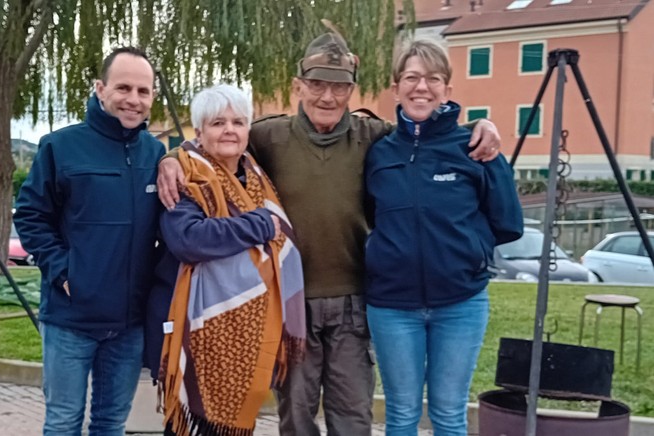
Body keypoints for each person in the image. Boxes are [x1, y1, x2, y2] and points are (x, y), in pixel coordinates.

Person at [157, 33, 502, 436]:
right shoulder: (271, 137)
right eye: (317, 84)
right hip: (293, 305)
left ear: (351, 90)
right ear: (298, 87)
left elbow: (426, 133)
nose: (327, 96)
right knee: (296, 417)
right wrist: (171, 158)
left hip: (354, 305)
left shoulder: (374, 137)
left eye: (339, 86)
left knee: (353, 417)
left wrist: (484, 126)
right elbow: (217, 145)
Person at [364, 39, 523, 436]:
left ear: (447, 90)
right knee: (400, 415)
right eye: (412, 77)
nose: (422, 87)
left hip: (461, 304)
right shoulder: (378, 152)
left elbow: (508, 222)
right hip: (391, 306)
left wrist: (468, 249)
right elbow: (368, 214)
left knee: (449, 415)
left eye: (433, 79)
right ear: (396, 86)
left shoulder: (475, 147)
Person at [13, 47, 165, 436]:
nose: (134, 99)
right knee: (63, 423)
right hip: (70, 319)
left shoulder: (155, 153)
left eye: (143, 91)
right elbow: (30, 216)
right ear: (101, 89)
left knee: (110, 424)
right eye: (124, 87)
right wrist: (64, 271)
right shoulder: (60, 147)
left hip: (129, 324)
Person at [153, 84, 306, 436]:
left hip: (252, 332)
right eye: (217, 122)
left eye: (238, 122)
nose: (229, 130)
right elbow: (189, 239)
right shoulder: (185, 176)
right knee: (195, 427)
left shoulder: (256, 175)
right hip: (202, 328)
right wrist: (259, 224)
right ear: (200, 131)